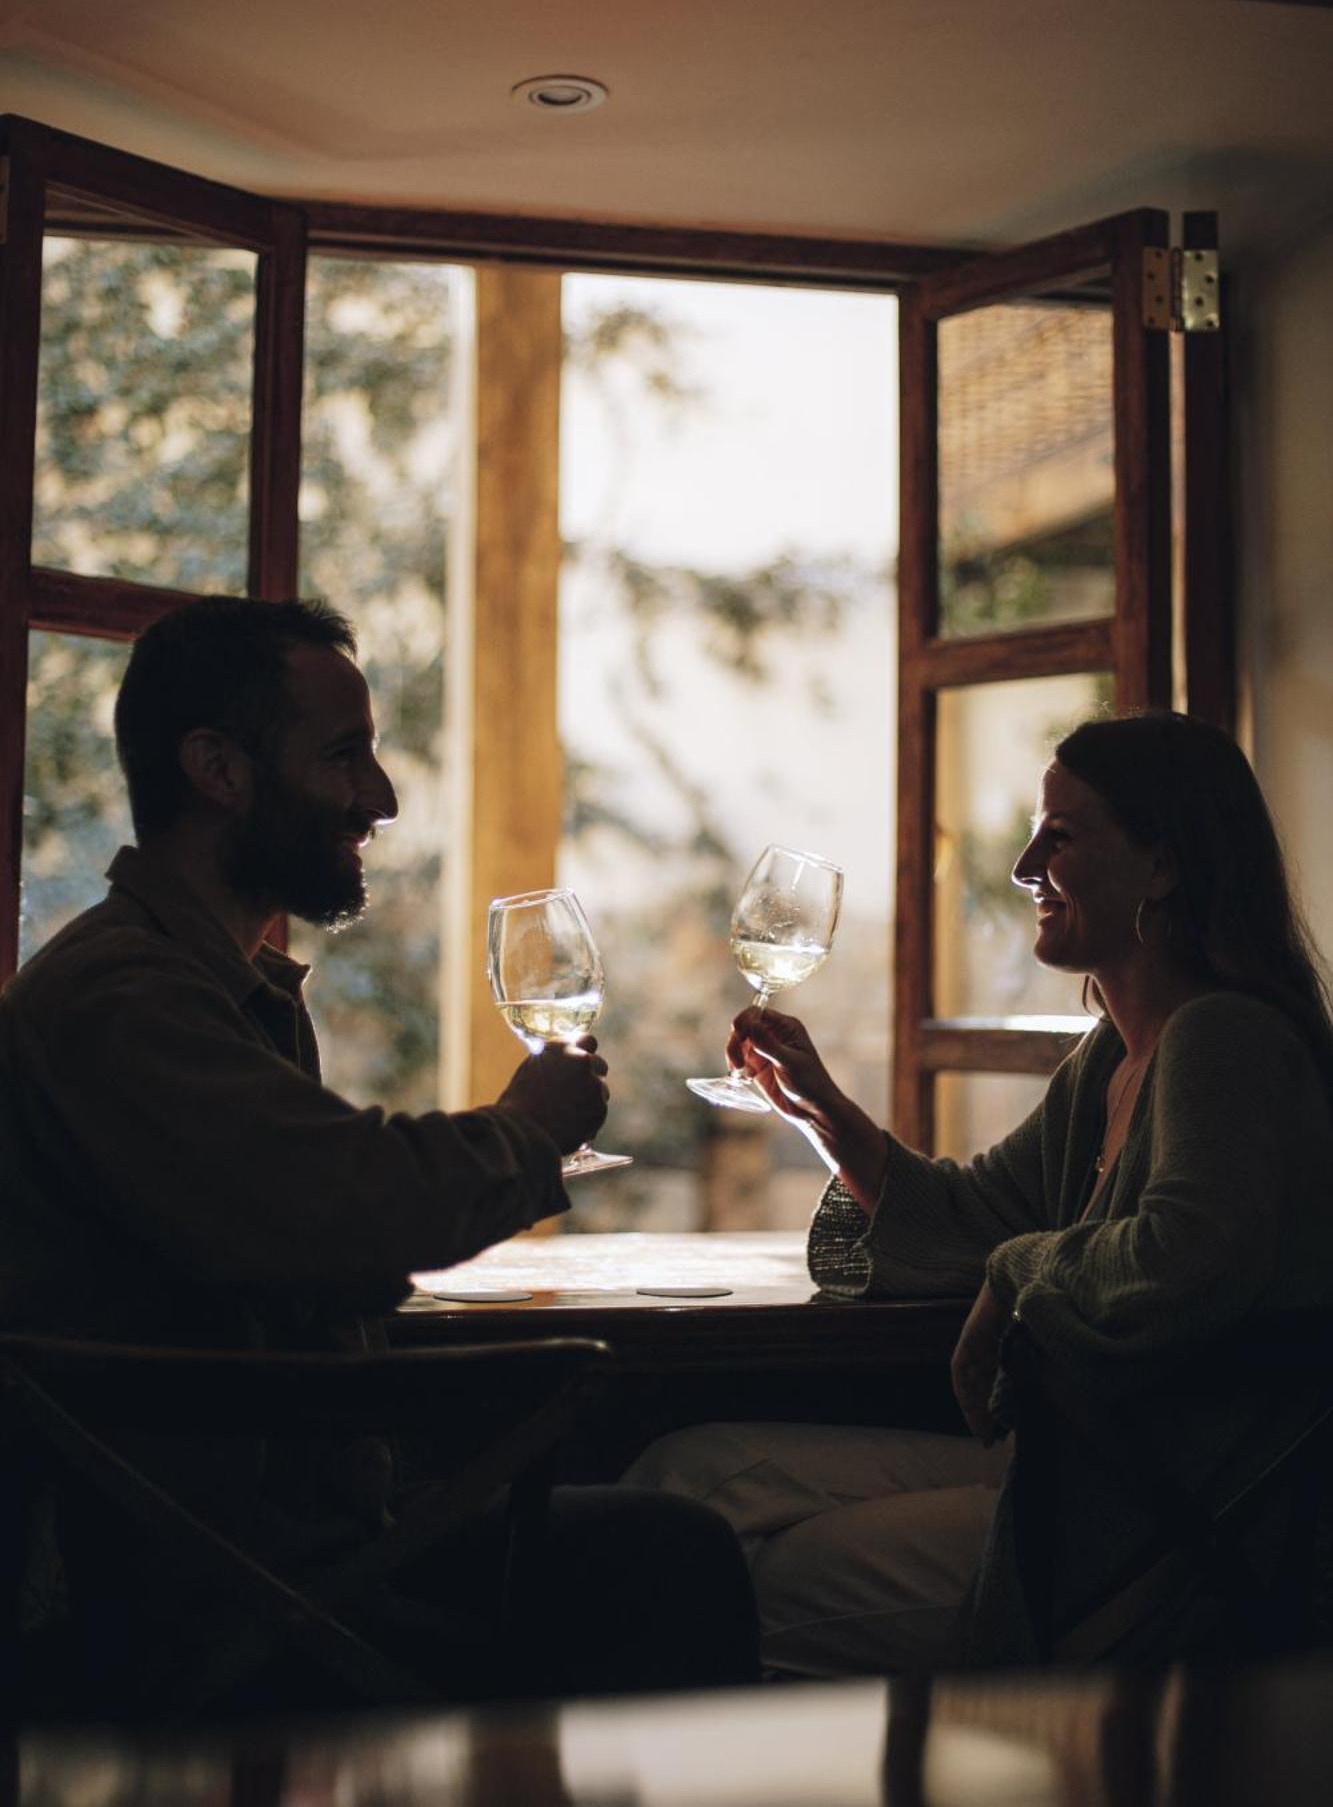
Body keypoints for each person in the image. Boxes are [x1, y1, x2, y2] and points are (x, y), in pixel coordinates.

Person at [0, 594, 757, 1709]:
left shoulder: (217, 980)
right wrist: (533, 1129)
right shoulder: (126, 995)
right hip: (201, 1585)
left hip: (253, 1535)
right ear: (218, 767)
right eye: (345, 754)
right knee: (667, 1557)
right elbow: (334, 1210)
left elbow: (304, 1241)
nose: (382, 797)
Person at [625, 712, 1333, 1673]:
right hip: (1081, 1461)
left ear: (1162, 868)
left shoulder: (1224, 1039)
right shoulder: (1109, 1064)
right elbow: (972, 1220)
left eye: (1063, 835)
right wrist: (821, 1111)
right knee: (687, 1479)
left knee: (724, 1579)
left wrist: (1016, 1275)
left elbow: (1186, 1258)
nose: (1024, 864)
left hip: (1159, 1517)